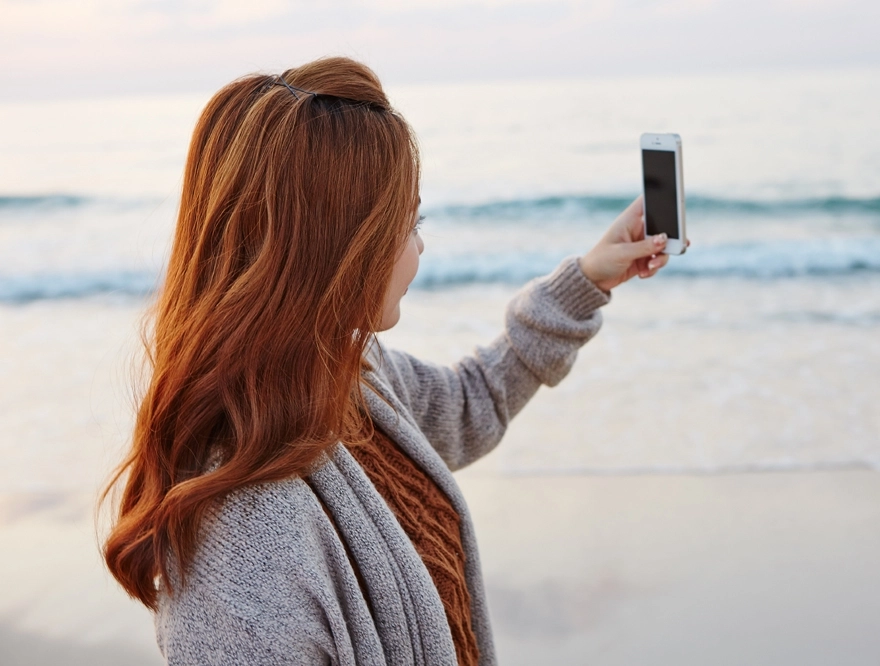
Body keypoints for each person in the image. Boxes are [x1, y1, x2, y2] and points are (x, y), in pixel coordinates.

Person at [101, 56, 677, 665]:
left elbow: (468, 403)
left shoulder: (345, 376)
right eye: (405, 222)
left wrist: (588, 279)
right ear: (335, 245)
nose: (419, 244)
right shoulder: (242, 545)